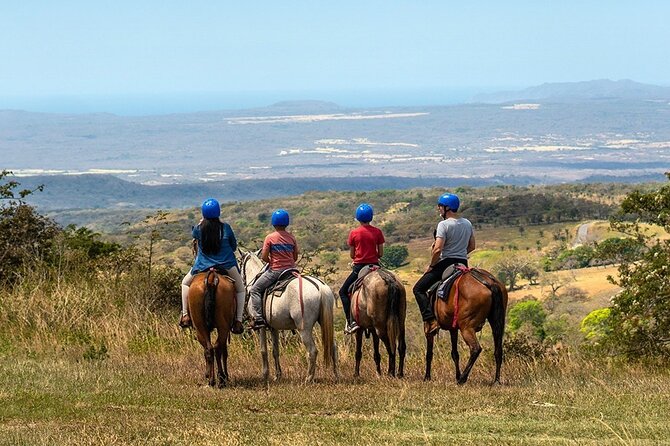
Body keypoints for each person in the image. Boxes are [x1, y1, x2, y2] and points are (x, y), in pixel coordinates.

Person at [179, 198, 245, 334]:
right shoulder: (226, 228)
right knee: (241, 289)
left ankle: (185, 315)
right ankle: (238, 320)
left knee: (185, 283)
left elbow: (194, 235)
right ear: (218, 212)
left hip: (202, 265)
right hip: (226, 265)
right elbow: (233, 247)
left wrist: (200, 222)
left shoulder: (198, 229)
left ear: (203, 214)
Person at [413, 192, 475, 336]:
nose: (439, 209)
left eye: (440, 206)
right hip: (463, 263)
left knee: (418, 289)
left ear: (447, 208)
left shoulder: (443, 225)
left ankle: (431, 320)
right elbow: (472, 246)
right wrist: (460, 254)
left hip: (446, 263)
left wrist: (432, 266)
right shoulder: (467, 223)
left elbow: (438, 249)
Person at [248, 208, 299, 330]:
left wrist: (272, 261)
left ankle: (259, 318)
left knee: (255, 289)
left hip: (275, 271)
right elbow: (295, 257)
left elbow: (264, 257)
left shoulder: (270, 238)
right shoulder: (292, 238)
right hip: (292, 271)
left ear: (273, 223)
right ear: (287, 223)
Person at [339, 203, 385, 334]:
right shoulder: (378, 232)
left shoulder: (354, 233)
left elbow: (352, 255)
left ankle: (350, 321)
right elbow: (380, 253)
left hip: (359, 268)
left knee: (343, 292)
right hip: (375, 267)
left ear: (358, 218)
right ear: (371, 217)